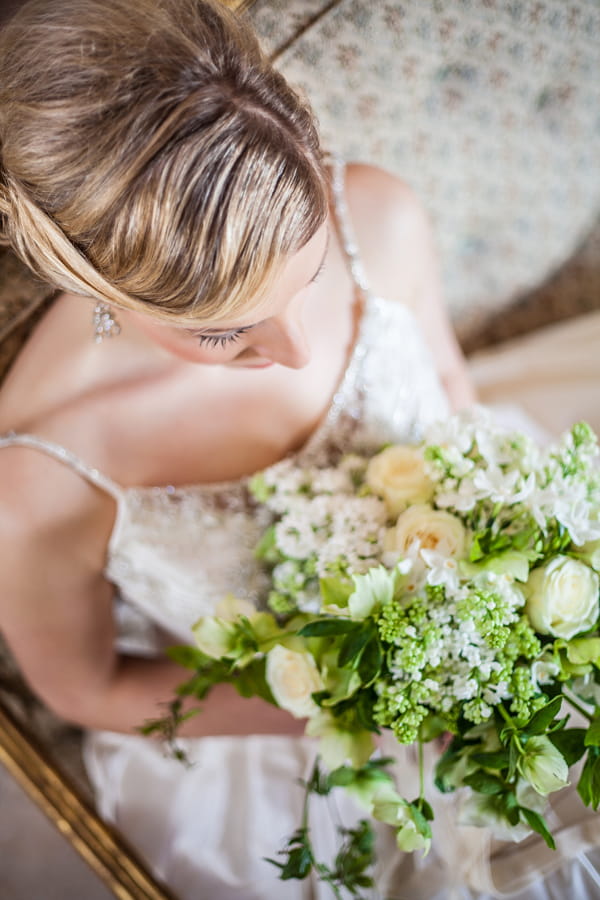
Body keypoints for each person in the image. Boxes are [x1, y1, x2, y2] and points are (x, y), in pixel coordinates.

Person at [0, 1, 598, 898]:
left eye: (311, 271)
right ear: (99, 288)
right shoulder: (45, 473)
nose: (297, 351)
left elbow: (452, 391)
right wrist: (337, 702)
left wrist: (506, 557)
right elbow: (86, 691)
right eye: (224, 336)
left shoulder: (378, 216)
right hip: (289, 750)